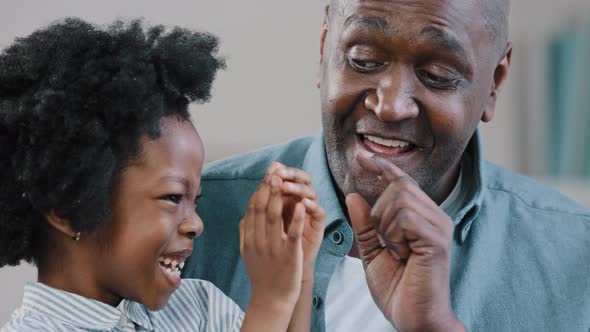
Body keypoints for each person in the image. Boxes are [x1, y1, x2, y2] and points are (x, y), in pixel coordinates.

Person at [183, 0, 590, 331]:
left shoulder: (577, 259)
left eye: (437, 74)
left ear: (494, 83)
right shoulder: (187, 223)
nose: (391, 105)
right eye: (363, 60)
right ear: (324, 48)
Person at [0, 18, 325, 331]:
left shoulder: (198, 307)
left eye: (194, 201)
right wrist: (270, 302)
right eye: (172, 197)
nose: (196, 224)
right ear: (67, 205)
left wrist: (300, 273)